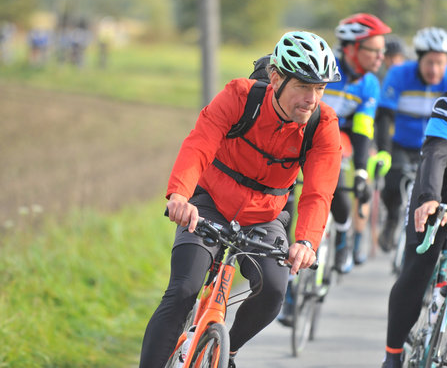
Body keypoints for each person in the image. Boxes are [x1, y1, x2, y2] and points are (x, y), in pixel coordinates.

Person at [138, 31, 343, 368]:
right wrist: (179, 194)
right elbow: (199, 144)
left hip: (265, 217)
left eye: (320, 88)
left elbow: (319, 189)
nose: (312, 98)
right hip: (209, 205)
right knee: (184, 289)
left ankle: (227, 351)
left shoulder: (322, 124)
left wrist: (306, 240)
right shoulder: (239, 97)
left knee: (275, 291)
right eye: (303, 86)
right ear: (276, 78)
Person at [381, 49, 447, 368]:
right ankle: (392, 355)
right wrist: (428, 199)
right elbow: (435, 153)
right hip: (439, 183)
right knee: (418, 267)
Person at [375, 27, 447, 253]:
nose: (435, 69)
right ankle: (391, 219)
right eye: (429, 62)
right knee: (391, 184)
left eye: (440, 63)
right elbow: (384, 117)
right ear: (418, 59)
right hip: (403, 143)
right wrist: (383, 151)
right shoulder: (399, 75)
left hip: (442, 149)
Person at [321, 13, 392, 272]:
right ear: (351, 49)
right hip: (310, 127)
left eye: (382, 52)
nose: (380, 58)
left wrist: (361, 172)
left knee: (336, 187)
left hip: (342, 134)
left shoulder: (371, 83)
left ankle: (342, 234)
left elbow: (363, 130)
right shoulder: (325, 68)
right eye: (374, 51)